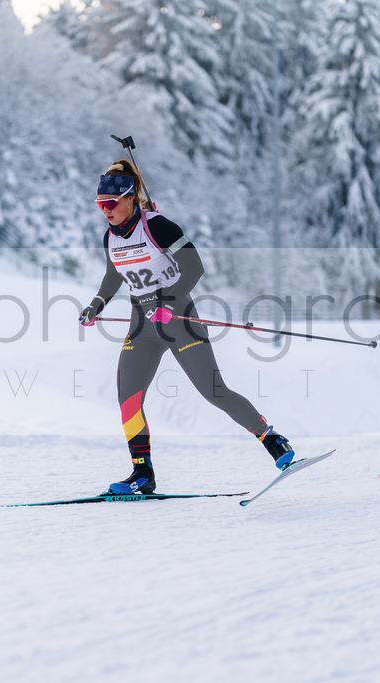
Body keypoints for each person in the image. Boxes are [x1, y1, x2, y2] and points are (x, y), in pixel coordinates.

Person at [78, 159, 296, 494]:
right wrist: (96, 304)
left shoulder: (160, 227)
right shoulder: (110, 237)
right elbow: (112, 275)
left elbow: (194, 268)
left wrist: (166, 302)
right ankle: (142, 474)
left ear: (130, 199)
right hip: (141, 325)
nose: (105, 211)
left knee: (214, 392)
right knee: (128, 400)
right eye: (100, 205)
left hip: (179, 319)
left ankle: (271, 438)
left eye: (111, 204)